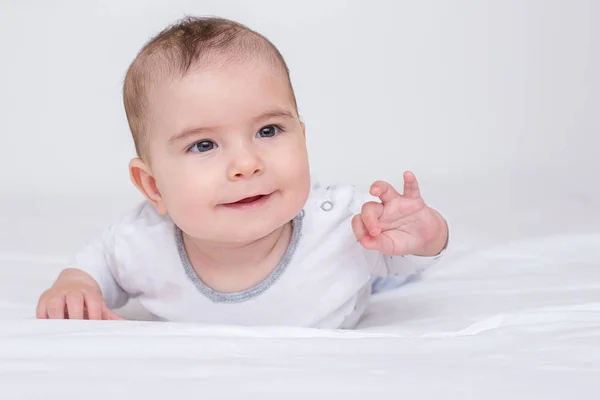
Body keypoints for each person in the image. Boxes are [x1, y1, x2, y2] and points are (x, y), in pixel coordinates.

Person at [36, 16, 449, 328]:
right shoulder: (143, 242)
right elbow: (98, 263)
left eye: (268, 130)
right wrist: (77, 285)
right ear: (153, 186)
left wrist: (425, 235)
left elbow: (410, 256)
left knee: (388, 275)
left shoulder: (346, 226)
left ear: (301, 137)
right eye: (204, 145)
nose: (247, 164)